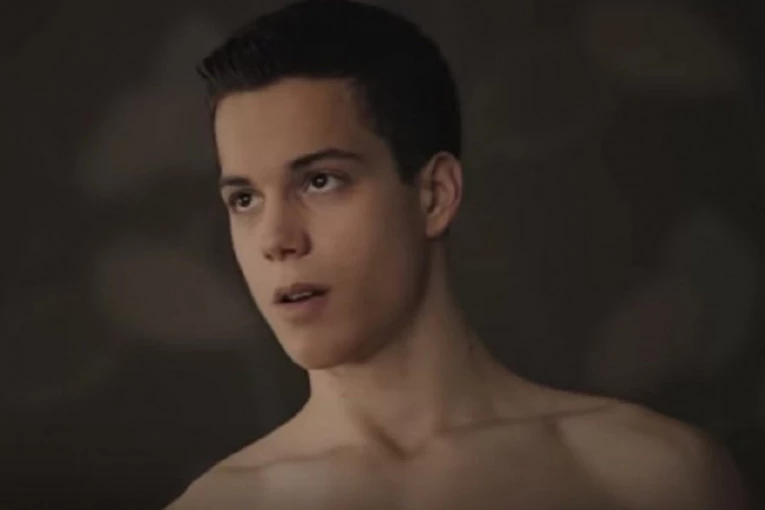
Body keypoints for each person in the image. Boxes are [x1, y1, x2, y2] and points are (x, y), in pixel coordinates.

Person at [168, 1, 749, 508]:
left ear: (435, 195)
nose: (275, 239)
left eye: (320, 181)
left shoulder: (653, 478)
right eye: (244, 199)